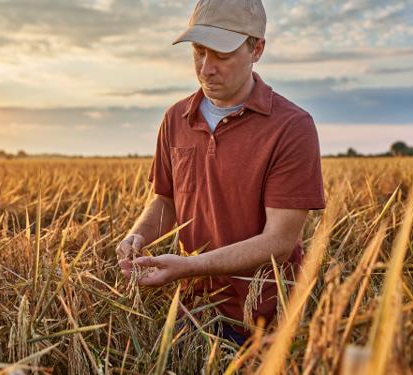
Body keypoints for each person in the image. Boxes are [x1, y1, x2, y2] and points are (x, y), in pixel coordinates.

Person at [116, 0, 326, 344]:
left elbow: (279, 243)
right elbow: (166, 201)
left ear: (256, 48)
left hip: (264, 320)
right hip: (192, 309)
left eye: (222, 55)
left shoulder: (292, 127)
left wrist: (189, 266)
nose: (206, 68)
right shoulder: (175, 118)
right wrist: (137, 236)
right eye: (199, 52)